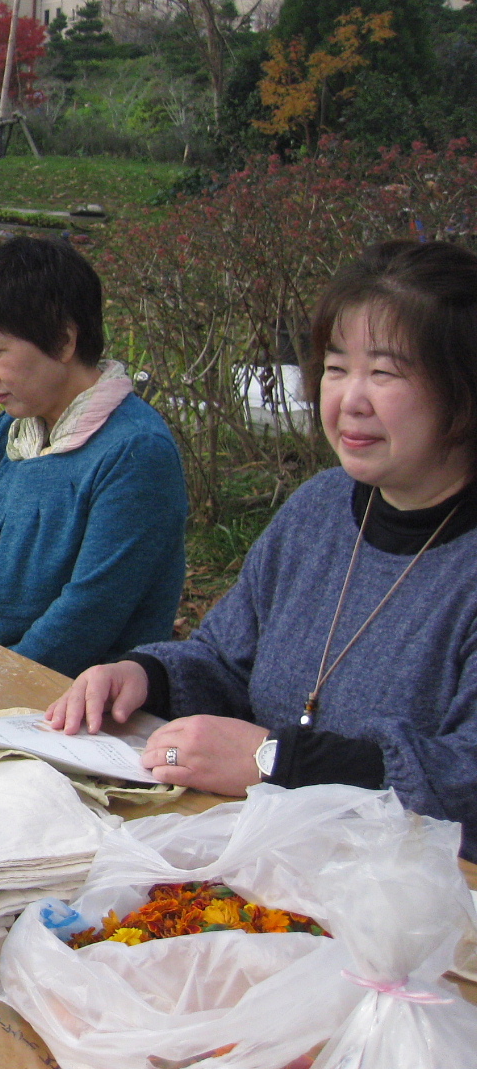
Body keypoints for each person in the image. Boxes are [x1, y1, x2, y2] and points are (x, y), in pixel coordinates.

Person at [48, 240, 477, 859]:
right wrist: (145, 676)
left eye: (385, 373)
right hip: (261, 859)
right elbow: (225, 660)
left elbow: (464, 782)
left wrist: (275, 760)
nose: (349, 400)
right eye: (335, 368)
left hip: (421, 910)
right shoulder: (321, 508)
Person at [0, 237, 187, 676]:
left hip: (78, 703)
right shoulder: (13, 429)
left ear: (64, 340)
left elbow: (90, 611)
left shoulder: (135, 451)